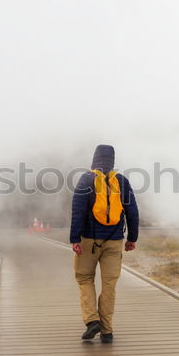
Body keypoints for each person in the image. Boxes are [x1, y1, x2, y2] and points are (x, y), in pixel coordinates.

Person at [69, 144, 139, 343]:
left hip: (88, 241)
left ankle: (92, 321)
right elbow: (132, 212)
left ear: (94, 158)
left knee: (84, 279)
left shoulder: (86, 179)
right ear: (112, 160)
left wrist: (75, 239)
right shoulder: (122, 181)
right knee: (109, 285)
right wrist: (132, 238)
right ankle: (107, 331)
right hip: (114, 241)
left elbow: (78, 211)